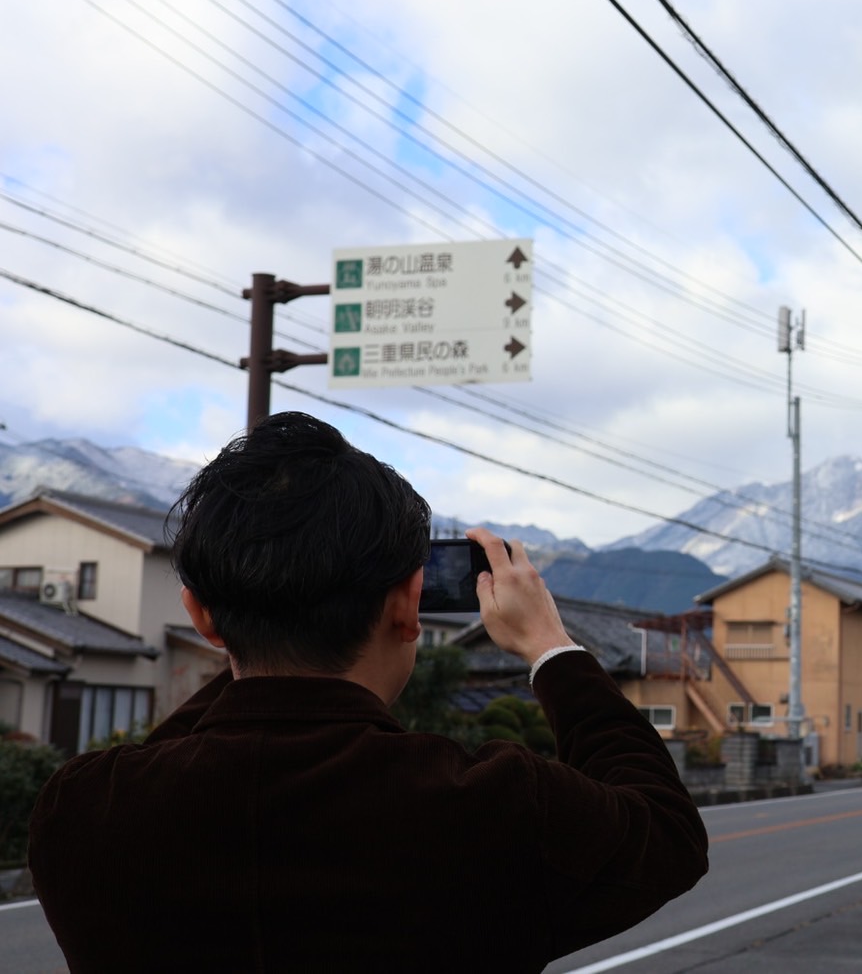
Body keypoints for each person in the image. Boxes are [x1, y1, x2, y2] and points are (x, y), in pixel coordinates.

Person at [28, 412, 708, 972]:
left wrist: (248, 634)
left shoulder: (84, 813)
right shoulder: (490, 806)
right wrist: (551, 648)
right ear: (409, 606)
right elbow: (668, 831)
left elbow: (200, 750)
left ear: (201, 616)